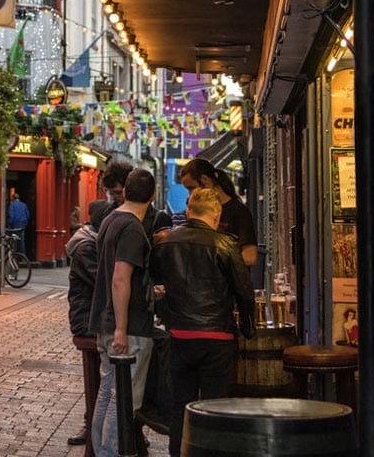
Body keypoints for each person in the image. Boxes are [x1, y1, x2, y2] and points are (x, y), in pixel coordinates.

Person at [150, 188, 256, 457]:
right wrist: (247, 327)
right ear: (217, 214)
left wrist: (166, 312)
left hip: (180, 335)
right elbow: (244, 291)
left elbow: (153, 281)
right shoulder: (225, 244)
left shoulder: (163, 242)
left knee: (180, 406)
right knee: (215, 408)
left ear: (188, 211)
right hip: (217, 337)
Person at [89, 168, 157, 457]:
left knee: (107, 392)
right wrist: (121, 328)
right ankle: (111, 453)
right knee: (124, 399)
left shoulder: (109, 220)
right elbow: (119, 278)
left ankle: (102, 451)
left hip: (105, 320)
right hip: (127, 328)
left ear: (125, 191)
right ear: (152, 197)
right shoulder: (132, 227)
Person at [65, 200, 115, 446]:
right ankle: (94, 425)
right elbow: (103, 281)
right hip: (87, 321)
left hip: (96, 317)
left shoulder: (93, 241)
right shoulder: (86, 246)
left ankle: (121, 425)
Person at [180, 158, 258, 266]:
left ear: (205, 180)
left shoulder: (239, 212)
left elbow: (250, 256)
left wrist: (215, 263)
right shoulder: (195, 209)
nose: (190, 194)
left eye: (191, 188)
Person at [7, 189, 30, 254]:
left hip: (15, 224)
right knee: (22, 240)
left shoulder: (12, 205)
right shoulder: (24, 205)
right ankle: (23, 255)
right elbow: (28, 215)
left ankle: (14, 254)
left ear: (13, 198)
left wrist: (9, 225)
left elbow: (11, 216)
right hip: (22, 224)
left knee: (14, 240)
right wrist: (25, 223)